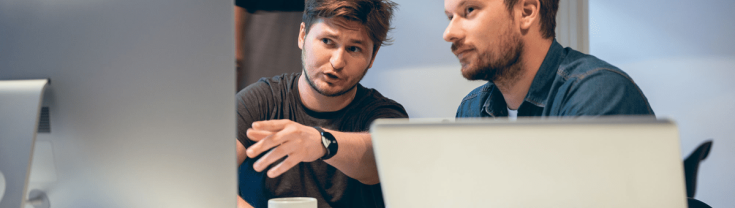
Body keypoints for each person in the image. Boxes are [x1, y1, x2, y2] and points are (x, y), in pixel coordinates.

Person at [235, 1, 405, 208]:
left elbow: (379, 158)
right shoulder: (259, 101)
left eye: (354, 48)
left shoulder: (384, 114)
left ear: (373, 56)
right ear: (302, 35)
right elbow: (210, 175)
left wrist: (322, 142)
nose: (337, 61)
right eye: (327, 41)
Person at [443, 0, 654, 118]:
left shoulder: (598, 95)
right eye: (450, 17)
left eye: (469, 10)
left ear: (526, 12)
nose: (449, 33)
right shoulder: (471, 109)